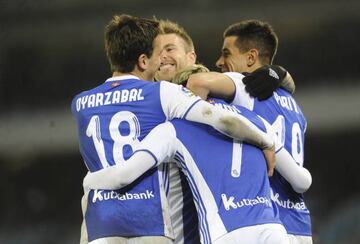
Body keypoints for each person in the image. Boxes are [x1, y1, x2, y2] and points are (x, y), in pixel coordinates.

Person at [71, 14, 276, 244]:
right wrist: (266, 141)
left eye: (169, 50)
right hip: (151, 222)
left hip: (102, 221)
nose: (162, 59)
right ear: (143, 61)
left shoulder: (81, 102)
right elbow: (221, 118)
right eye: (158, 53)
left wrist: (276, 73)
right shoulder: (163, 96)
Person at [82, 94, 294, 244]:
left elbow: (123, 175)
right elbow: (303, 181)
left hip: (224, 232)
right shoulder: (255, 120)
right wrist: (267, 142)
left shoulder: (174, 128)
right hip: (272, 229)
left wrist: (88, 181)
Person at [186, 19, 313, 243]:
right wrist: (280, 73)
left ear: (251, 57)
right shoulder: (294, 104)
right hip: (300, 224)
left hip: (264, 219)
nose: (219, 61)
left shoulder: (244, 85)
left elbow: (198, 82)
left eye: (227, 54)